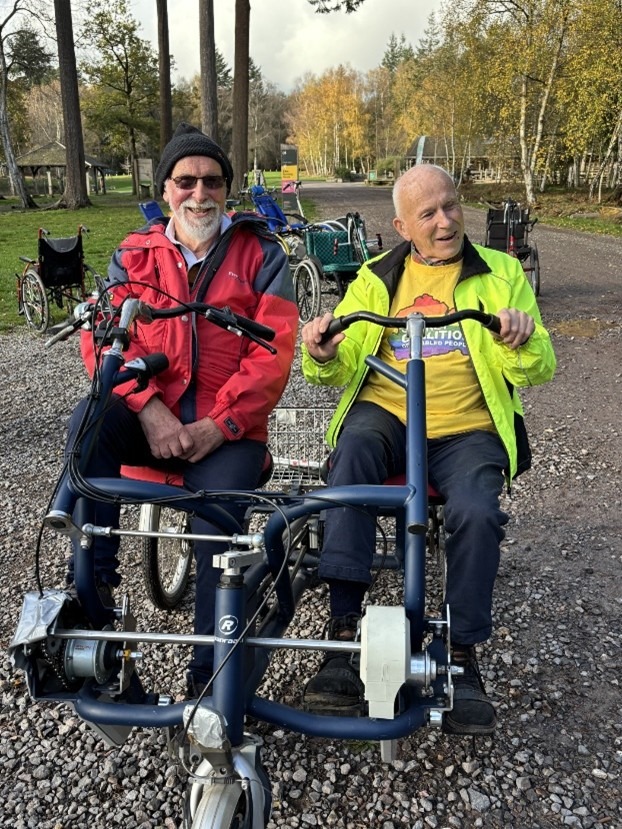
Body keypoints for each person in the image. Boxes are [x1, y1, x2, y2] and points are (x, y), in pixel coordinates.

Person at [300, 164, 556, 734]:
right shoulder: (375, 278)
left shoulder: (502, 274)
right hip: (387, 413)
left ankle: (462, 652)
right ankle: (342, 632)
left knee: (477, 509)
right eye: (428, 213)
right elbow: (340, 364)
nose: (446, 222)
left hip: (467, 425)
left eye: (451, 205)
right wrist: (319, 353)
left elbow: (540, 366)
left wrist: (518, 340)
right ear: (402, 227)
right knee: (351, 463)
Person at [65, 123, 298, 697]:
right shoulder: (131, 255)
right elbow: (104, 340)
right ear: (166, 189)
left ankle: (207, 681)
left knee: (216, 536)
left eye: (212, 181)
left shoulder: (263, 255)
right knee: (87, 423)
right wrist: (149, 410)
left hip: (228, 432)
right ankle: (93, 603)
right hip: (152, 421)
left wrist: (219, 425)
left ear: (227, 189)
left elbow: (272, 355)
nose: (200, 193)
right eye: (186, 181)